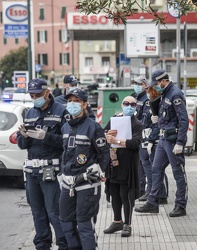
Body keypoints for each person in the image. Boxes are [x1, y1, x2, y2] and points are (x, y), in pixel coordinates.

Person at [17, 78, 69, 250]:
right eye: (32, 95)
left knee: (54, 212)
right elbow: (21, 145)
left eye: (38, 94)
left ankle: (64, 244)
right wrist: (23, 136)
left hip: (51, 171)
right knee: (37, 212)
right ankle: (42, 245)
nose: (35, 98)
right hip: (32, 171)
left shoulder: (62, 112)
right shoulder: (30, 113)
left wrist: (45, 137)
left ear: (47, 92)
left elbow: (68, 142)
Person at [59, 88, 110, 250]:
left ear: (85, 104)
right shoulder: (65, 127)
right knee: (65, 223)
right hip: (68, 184)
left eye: (77, 101)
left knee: (84, 225)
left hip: (87, 184)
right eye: (70, 101)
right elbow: (65, 153)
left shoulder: (93, 127)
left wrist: (99, 172)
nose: (72, 104)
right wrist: (63, 172)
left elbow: (104, 153)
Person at [134, 69, 189, 217]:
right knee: (156, 169)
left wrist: (180, 142)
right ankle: (153, 203)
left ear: (163, 81)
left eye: (157, 84)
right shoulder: (165, 93)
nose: (155, 87)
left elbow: (184, 121)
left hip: (173, 140)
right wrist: (157, 120)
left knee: (178, 172)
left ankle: (180, 205)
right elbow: (167, 117)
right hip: (163, 138)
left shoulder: (175, 94)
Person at [103, 96, 143, 237]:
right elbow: (103, 134)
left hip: (128, 165)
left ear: (136, 107)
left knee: (126, 195)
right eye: (126, 103)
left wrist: (117, 140)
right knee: (114, 193)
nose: (129, 106)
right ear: (122, 104)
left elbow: (135, 143)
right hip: (114, 163)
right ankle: (117, 221)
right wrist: (108, 135)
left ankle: (128, 224)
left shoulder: (137, 124)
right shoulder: (115, 119)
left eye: (133, 104)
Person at [133, 76, 168, 203]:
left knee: (155, 167)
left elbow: (153, 123)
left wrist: (152, 140)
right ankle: (154, 191)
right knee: (148, 165)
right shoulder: (139, 99)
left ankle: (159, 193)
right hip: (145, 137)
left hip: (152, 138)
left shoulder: (151, 102)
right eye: (134, 83)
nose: (136, 86)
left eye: (138, 84)